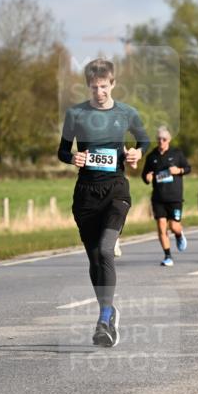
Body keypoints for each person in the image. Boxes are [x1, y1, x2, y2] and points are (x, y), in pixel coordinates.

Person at [57, 59, 148, 347]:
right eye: (94, 87)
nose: (100, 92)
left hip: (116, 191)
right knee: (95, 257)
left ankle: (104, 316)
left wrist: (136, 153)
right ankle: (107, 313)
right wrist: (73, 157)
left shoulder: (126, 113)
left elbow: (143, 141)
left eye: (104, 86)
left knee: (107, 249)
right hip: (85, 194)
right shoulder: (76, 114)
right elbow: (62, 150)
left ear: (113, 84)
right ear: (88, 87)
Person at [142, 125, 190, 266]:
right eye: (158, 139)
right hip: (158, 198)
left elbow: (188, 168)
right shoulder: (152, 157)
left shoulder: (177, 153)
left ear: (169, 140)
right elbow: (144, 175)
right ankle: (168, 256)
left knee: (174, 226)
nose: (161, 142)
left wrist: (179, 170)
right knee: (161, 226)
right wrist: (147, 177)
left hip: (174, 197)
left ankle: (179, 235)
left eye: (164, 139)